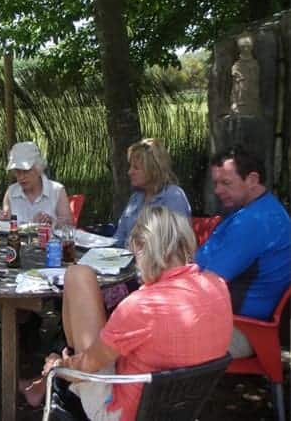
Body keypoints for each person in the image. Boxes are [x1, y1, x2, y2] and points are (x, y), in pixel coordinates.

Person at [20, 206, 232, 420]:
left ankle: (55, 376)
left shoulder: (142, 306)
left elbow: (86, 368)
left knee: (78, 274)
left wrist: (60, 366)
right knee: (80, 277)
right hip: (182, 407)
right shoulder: (217, 286)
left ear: (141, 247)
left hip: (124, 412)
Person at [195, 145, 290, 358]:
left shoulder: (256, 222)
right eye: (216, 183)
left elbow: (208, 283)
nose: (217, 190)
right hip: (227, 318)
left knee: (141, 330)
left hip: (241, 329)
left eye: (226, 183)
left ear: (252, 179)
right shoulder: (251, 211)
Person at [112, 138, 191, 248]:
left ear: (153, 169)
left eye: (136, 168)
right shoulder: (136, 198)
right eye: (130, 166)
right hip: (126, 259)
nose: (129, 172)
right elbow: (119, 237)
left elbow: (178, 245)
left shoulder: (173, 197)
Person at [0, 141, 72, 225]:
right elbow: (7, 226)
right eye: (17, 172)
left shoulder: (56, 190)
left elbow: (69, 224)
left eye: (26, 171)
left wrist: (51, 221)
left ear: (38, 169)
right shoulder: (11, 192)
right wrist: (1, 220)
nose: (21, 177)